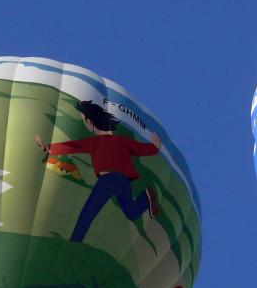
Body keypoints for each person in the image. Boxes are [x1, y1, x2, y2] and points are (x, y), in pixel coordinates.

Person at [36, 100, 162, 242]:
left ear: (91, 122)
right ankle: (146, 197)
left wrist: (48, 148)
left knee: (87, 213)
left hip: (107, 180)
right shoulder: (122, 141)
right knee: (131, 212)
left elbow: (73, 146)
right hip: (123, 181)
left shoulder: (96, 142)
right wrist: (155, 146)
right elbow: (142, 149)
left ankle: (74, 242)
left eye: (85, 120)